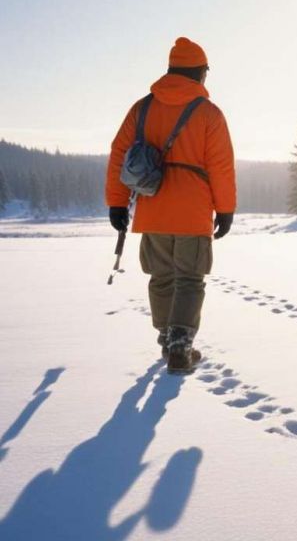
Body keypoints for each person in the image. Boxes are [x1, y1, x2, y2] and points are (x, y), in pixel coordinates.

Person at [105, 37, 236, 372]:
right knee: (189, 278)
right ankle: (180, 347)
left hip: (153, 208)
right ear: (199, 72)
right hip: (193, 212)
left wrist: (117, 203)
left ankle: (167, 338)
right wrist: (225, 210)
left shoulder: (142, 108)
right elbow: (220, 166)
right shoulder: (209, 114)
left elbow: (120, 154)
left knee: (161, 277)